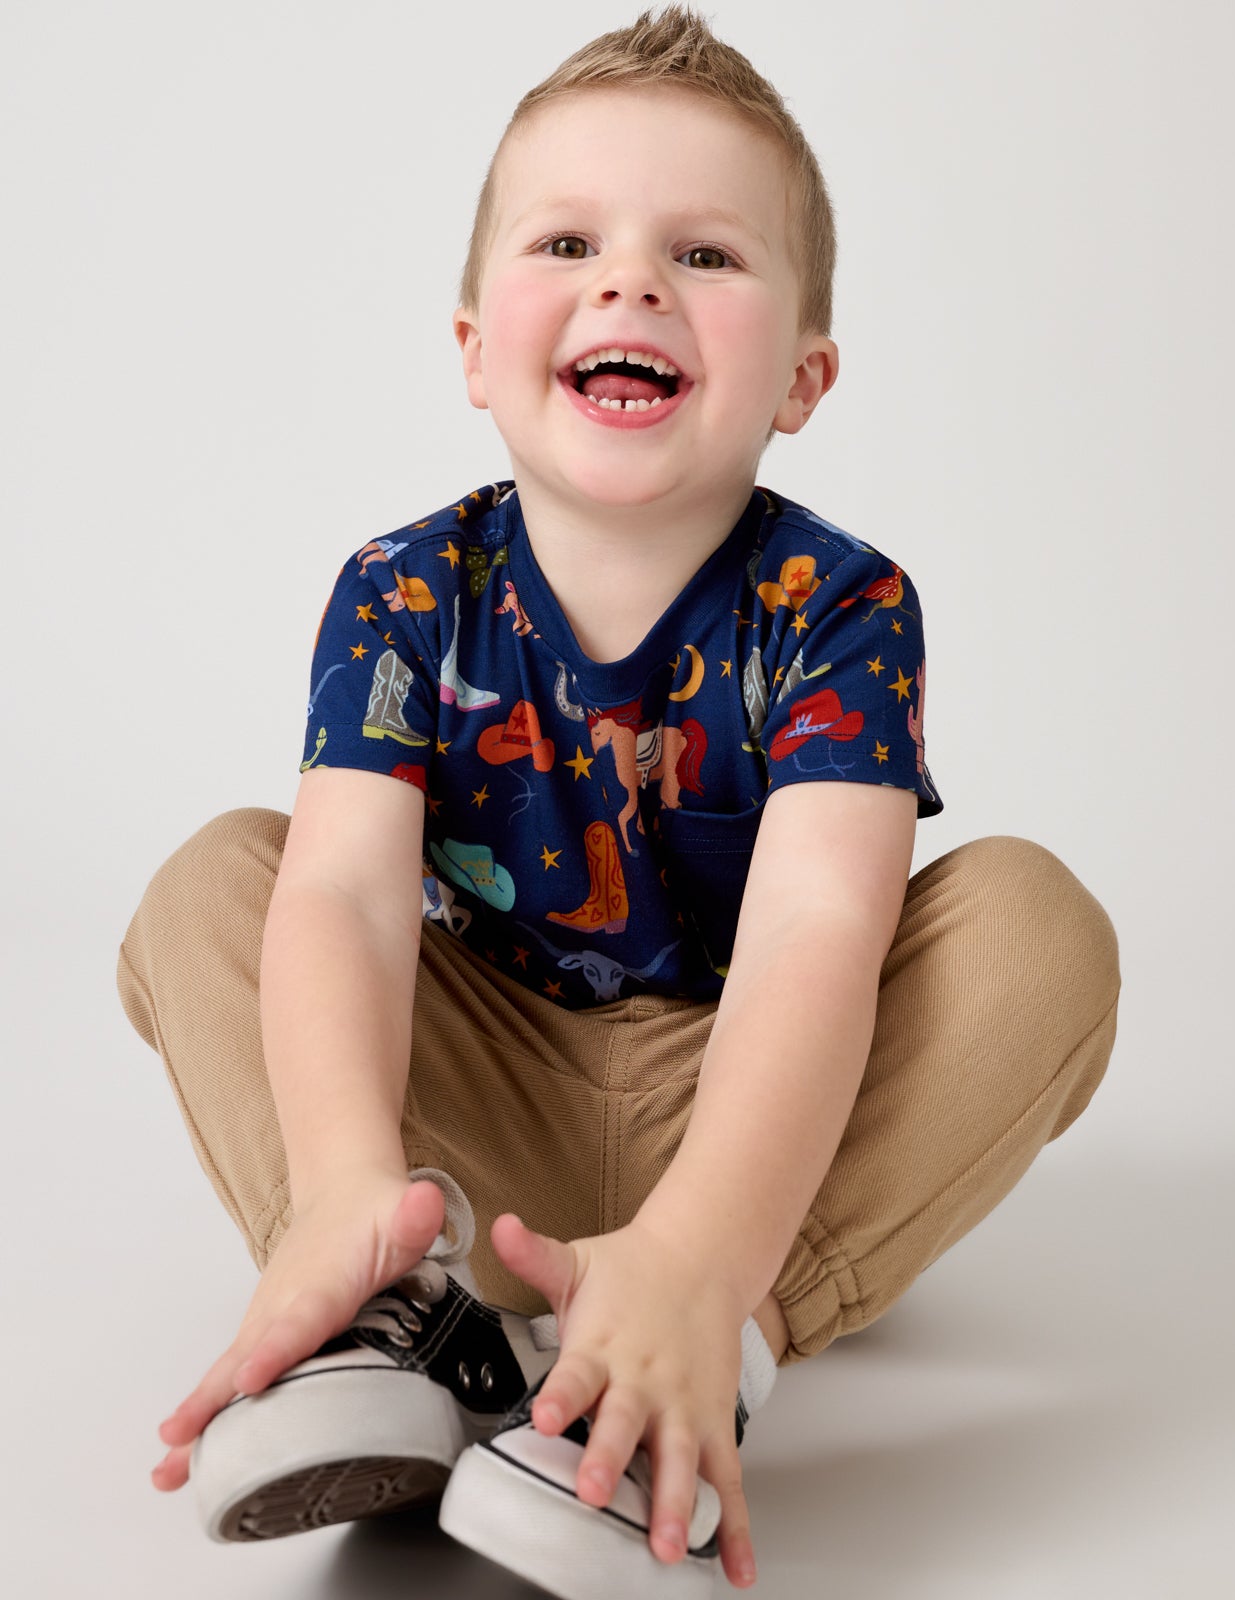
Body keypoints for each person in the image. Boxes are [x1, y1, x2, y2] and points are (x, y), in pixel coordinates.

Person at [116, 6, 1120, 1595]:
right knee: (223, 880)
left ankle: (704, 1339)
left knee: (1038, 929)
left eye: (704, 255)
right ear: (473, 348)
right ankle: (384, 1286)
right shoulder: (401, 591)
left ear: (804, 375)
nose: (631, 282)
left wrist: (708, 1244)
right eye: (569, 241)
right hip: (477, 1105)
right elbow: (351, 896)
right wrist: (345, 1174)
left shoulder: (842, 609)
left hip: (757, 1112)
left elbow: (819, 931)